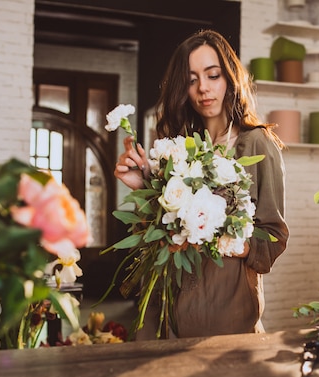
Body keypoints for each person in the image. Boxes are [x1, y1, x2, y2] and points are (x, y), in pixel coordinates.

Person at [114, 29, 289, 339]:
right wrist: (143, 186)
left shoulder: (256, 144)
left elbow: (274, 237)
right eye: (192, 79)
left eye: (213, 75)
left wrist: (218, 238)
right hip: (166, 307)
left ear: (229, 78)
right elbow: (158, 235)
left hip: (225, 315)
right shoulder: (178, 148)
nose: (203, 89)